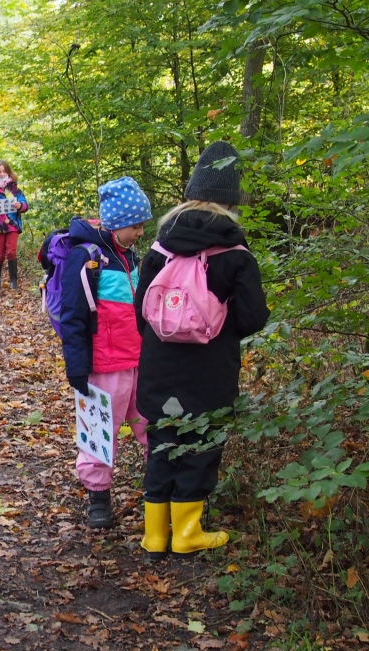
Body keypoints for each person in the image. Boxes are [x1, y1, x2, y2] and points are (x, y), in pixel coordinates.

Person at [134, 141, 269, 559]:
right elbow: (253, 318)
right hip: (210, 370)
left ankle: (155, 535)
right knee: (201, 445)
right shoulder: (234, 253)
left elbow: (141, 310)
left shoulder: (159, 246)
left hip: (159, 365)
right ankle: (188, 532)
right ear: (231, 200)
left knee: (162, 443)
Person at [60, 176, 151, 529]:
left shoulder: (130, 256)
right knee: (100, 431)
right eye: (135, 225)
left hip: (139, 361)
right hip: (104, 366)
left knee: (151, 424)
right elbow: (72, 315)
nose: (140, 232)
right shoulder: (86, 258)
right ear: (115, 221)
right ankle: (99, 497)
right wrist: (77, 368)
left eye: (143, 225)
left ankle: (160, 488)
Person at [0, 160, 29, 289]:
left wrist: (20, 205)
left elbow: (25, 204)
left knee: (11, 251)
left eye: (4, 171)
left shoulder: (15, 188)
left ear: (8, 172)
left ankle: (13, 281)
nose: (1, 174)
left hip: (13, 225)